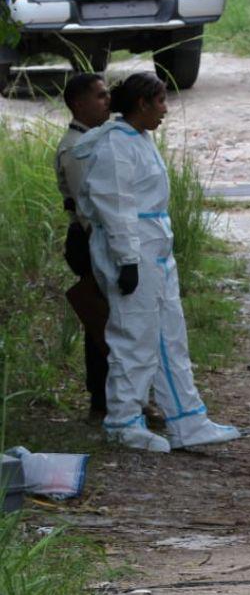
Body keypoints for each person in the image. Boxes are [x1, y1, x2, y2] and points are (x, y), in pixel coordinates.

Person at [73, 72, 240, 452]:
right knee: (134, 334)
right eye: (161, 101)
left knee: (170, 335)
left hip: (156, 247)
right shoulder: (115, 145)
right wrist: (127, 259)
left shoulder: (139, 139)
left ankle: (187, 419)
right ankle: (123, 420)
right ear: (142, 103)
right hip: (134, 249)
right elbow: (115, 205)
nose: (165, 110)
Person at [55, 72, 111, 418]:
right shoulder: (75, 147)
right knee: (100, 319)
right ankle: (101, 399)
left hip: (100, 236)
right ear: (79, 103)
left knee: (109, 316)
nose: (108, 101)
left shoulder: (93, 138)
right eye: (100, 96)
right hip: (90, 238)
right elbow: (87, 206)